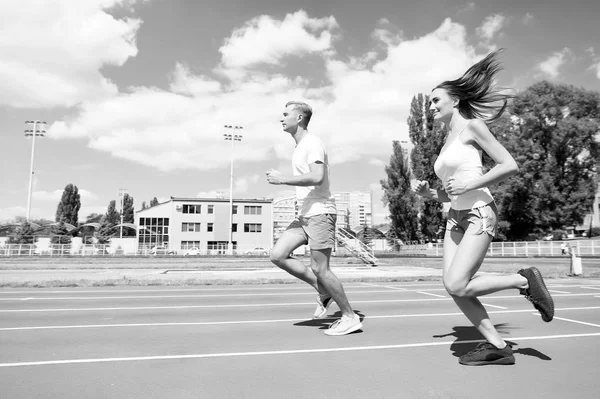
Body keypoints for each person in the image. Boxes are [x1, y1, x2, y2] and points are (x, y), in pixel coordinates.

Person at [412, 49, 554, 366]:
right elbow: (451, 193)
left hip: (479, 212)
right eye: (430, 102)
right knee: (454, 287)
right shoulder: (447, 139)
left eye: (436, 100)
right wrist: (429, 195)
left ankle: (524, 280)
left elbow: (509, 164)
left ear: (455, 101)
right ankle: (498, 346)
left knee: (456, 283)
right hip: (455, 216)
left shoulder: (472, 127)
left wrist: (468, 186)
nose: (431, 106)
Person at [266, 101, 362, 336]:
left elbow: (318, 176)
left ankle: (350, 317)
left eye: (285, 114)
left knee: (321, 268)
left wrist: (283, 180)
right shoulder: (299, 147)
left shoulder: (312, 143)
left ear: (299, 118)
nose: (281, 118)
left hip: (320, 212)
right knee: (277, 255)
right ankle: (324, 291)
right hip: (304, 214)